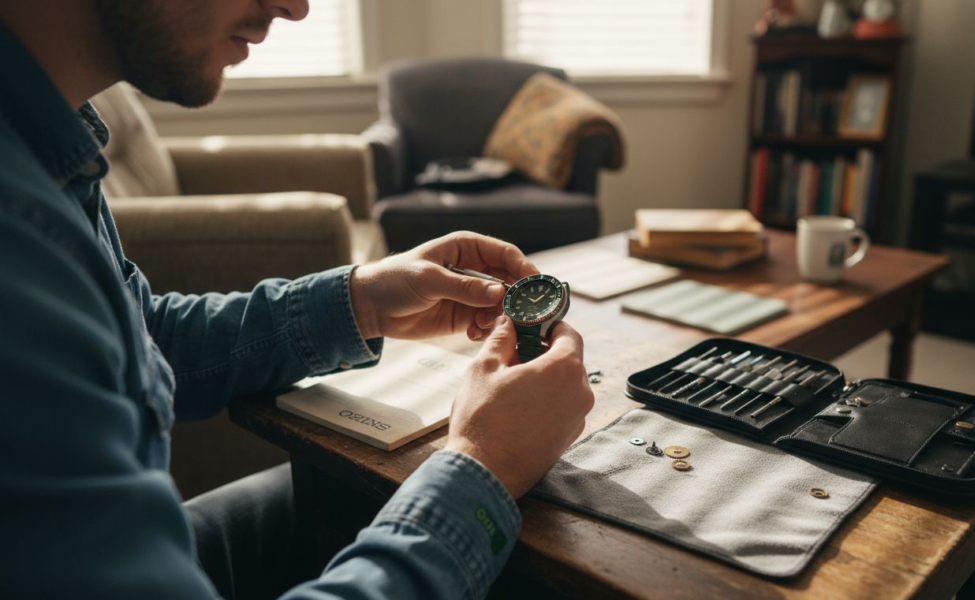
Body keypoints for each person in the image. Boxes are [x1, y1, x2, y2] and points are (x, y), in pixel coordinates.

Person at [0, 1, 595, 598]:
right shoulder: (18, 239)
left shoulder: (49, 138)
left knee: (349, 489)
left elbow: (141, 338)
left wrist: (361, 302)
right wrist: (481, 469)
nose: (297, 6)